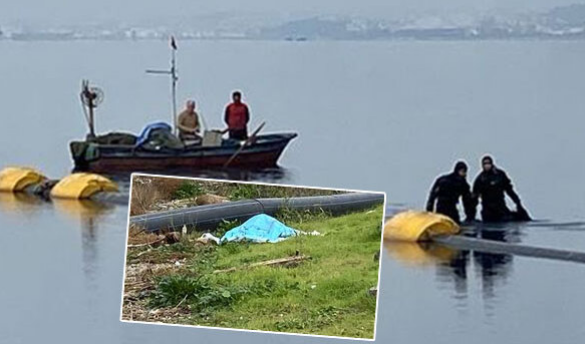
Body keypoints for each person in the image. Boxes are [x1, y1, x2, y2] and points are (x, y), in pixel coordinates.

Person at [472, 155, 530, 222]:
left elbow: (509, 190)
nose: (487, 166)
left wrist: (517, 202)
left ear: (492, 164)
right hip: (488, 210)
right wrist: (471, 215)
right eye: (485, 164)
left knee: (516, 217)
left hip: (501, 207)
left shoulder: (500, 175)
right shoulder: (480, 179)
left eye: (488, 163)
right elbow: (474, 198)